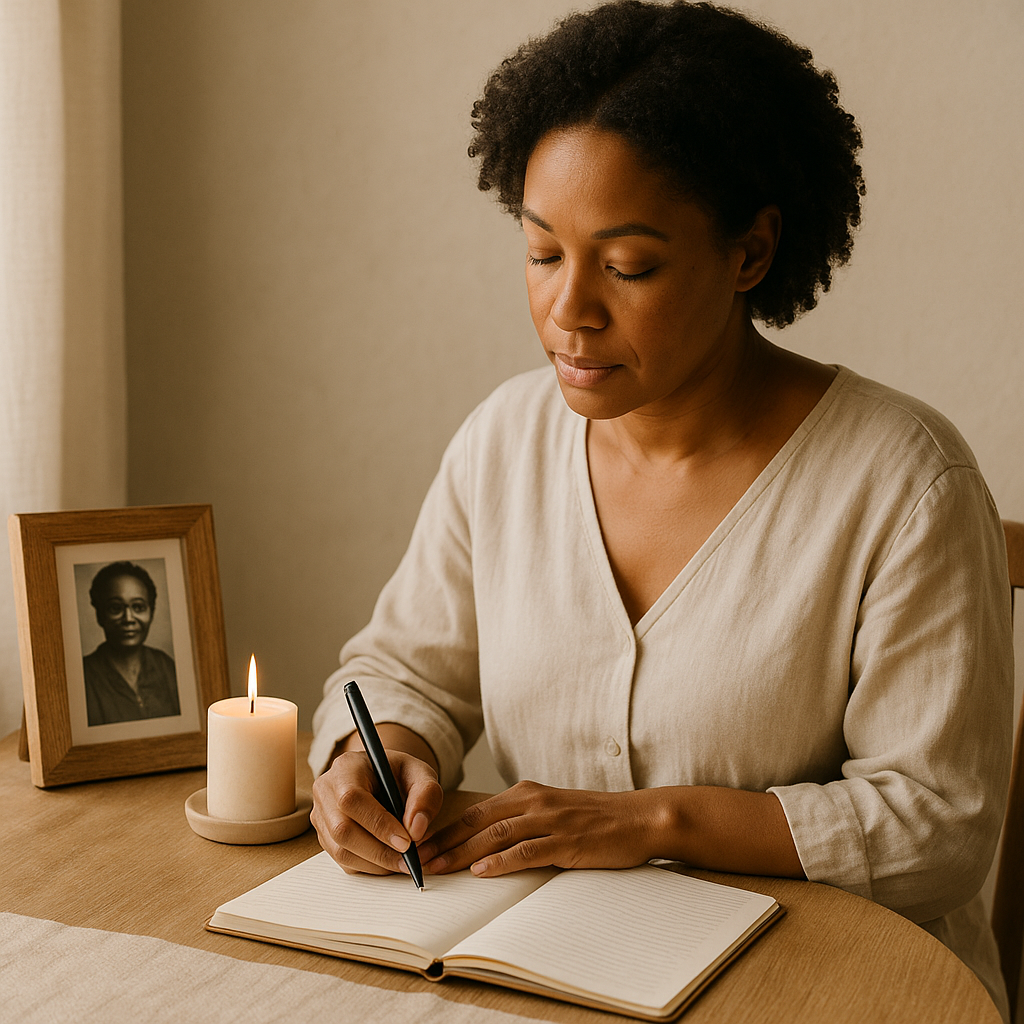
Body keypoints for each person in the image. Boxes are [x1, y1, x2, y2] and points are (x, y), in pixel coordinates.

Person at [309, 2, 1013, 1016]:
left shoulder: (905, 484)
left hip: (837, 993)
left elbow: (936, 829)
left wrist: (654, 820)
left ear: (750, 253)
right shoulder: (503, 442)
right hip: (564, 981)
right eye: (543, 252)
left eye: (628, 266)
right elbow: (400, 672)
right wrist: (380, 763)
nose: (569, 310)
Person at [83, 561, 180, 725]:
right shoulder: (85, 676)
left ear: (151, 612)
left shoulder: (166, 667)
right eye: (115, 608)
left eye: (138, 607)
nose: (128, 619)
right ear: (100, 615)